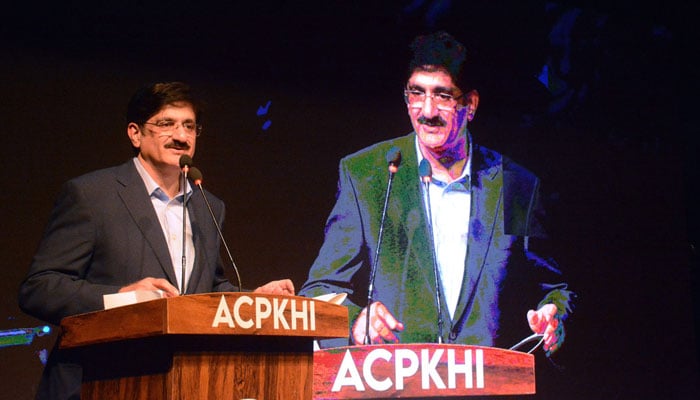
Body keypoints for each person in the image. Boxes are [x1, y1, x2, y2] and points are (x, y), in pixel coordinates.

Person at [299, 31, 573, 354]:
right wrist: (357, 321)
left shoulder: (515, 187)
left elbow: (554, 290)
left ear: (470, 105)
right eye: (417, 93)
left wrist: (553, 318)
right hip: (394, 385)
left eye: (443, 96)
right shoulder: (367, 177)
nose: (426, 110)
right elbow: (319, 291)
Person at [18, 81, 294, 399]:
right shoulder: (92, 196)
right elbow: (38, 288)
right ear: (135, 133)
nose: (180, 136)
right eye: (166, 124)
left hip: (182, 383)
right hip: (100, 380)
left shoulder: (209, 206)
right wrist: (122, 297)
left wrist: (253, 299)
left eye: (189, 126)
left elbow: (206, 289)